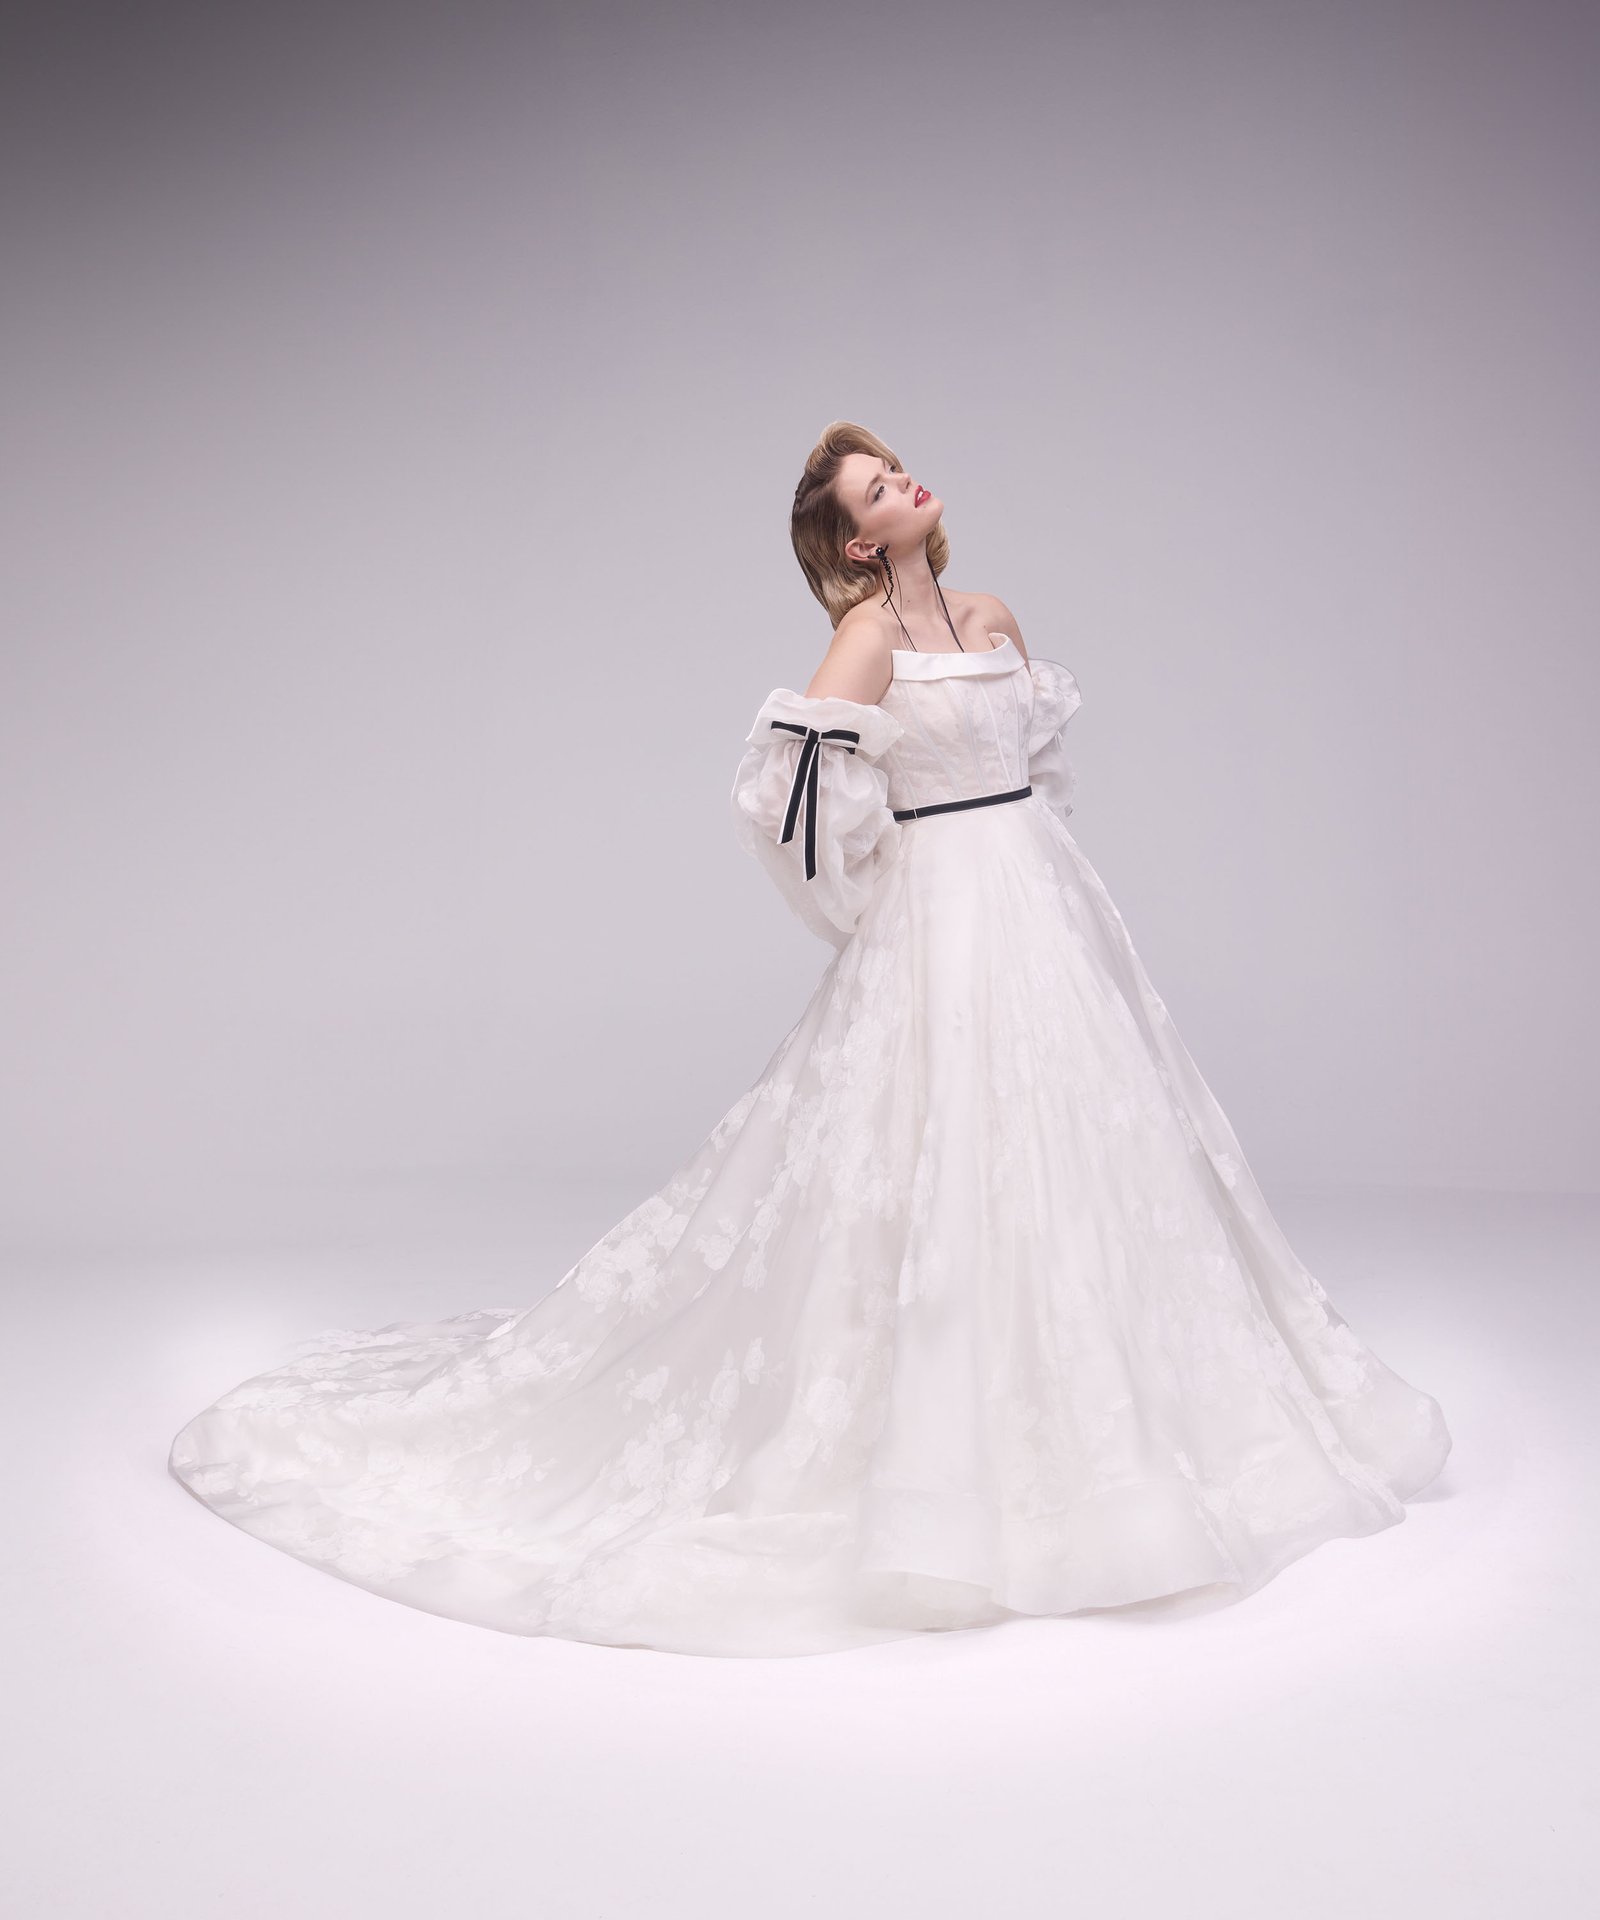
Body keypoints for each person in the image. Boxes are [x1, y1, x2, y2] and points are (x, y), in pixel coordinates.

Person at [167, 420, 1452, 1658]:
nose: (903, 483)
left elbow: (1040, 770)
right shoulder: (864, 641)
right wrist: (872, 908)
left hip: (1041, 905)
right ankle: (949, 1482)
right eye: (875, 489)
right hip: (940, 914)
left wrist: (1033, 879)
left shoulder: (991, 616)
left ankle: (1110, 1443)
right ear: (853, 545)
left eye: (895, 468)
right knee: (941, 1158)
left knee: (1079, 1148)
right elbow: (784, 803)